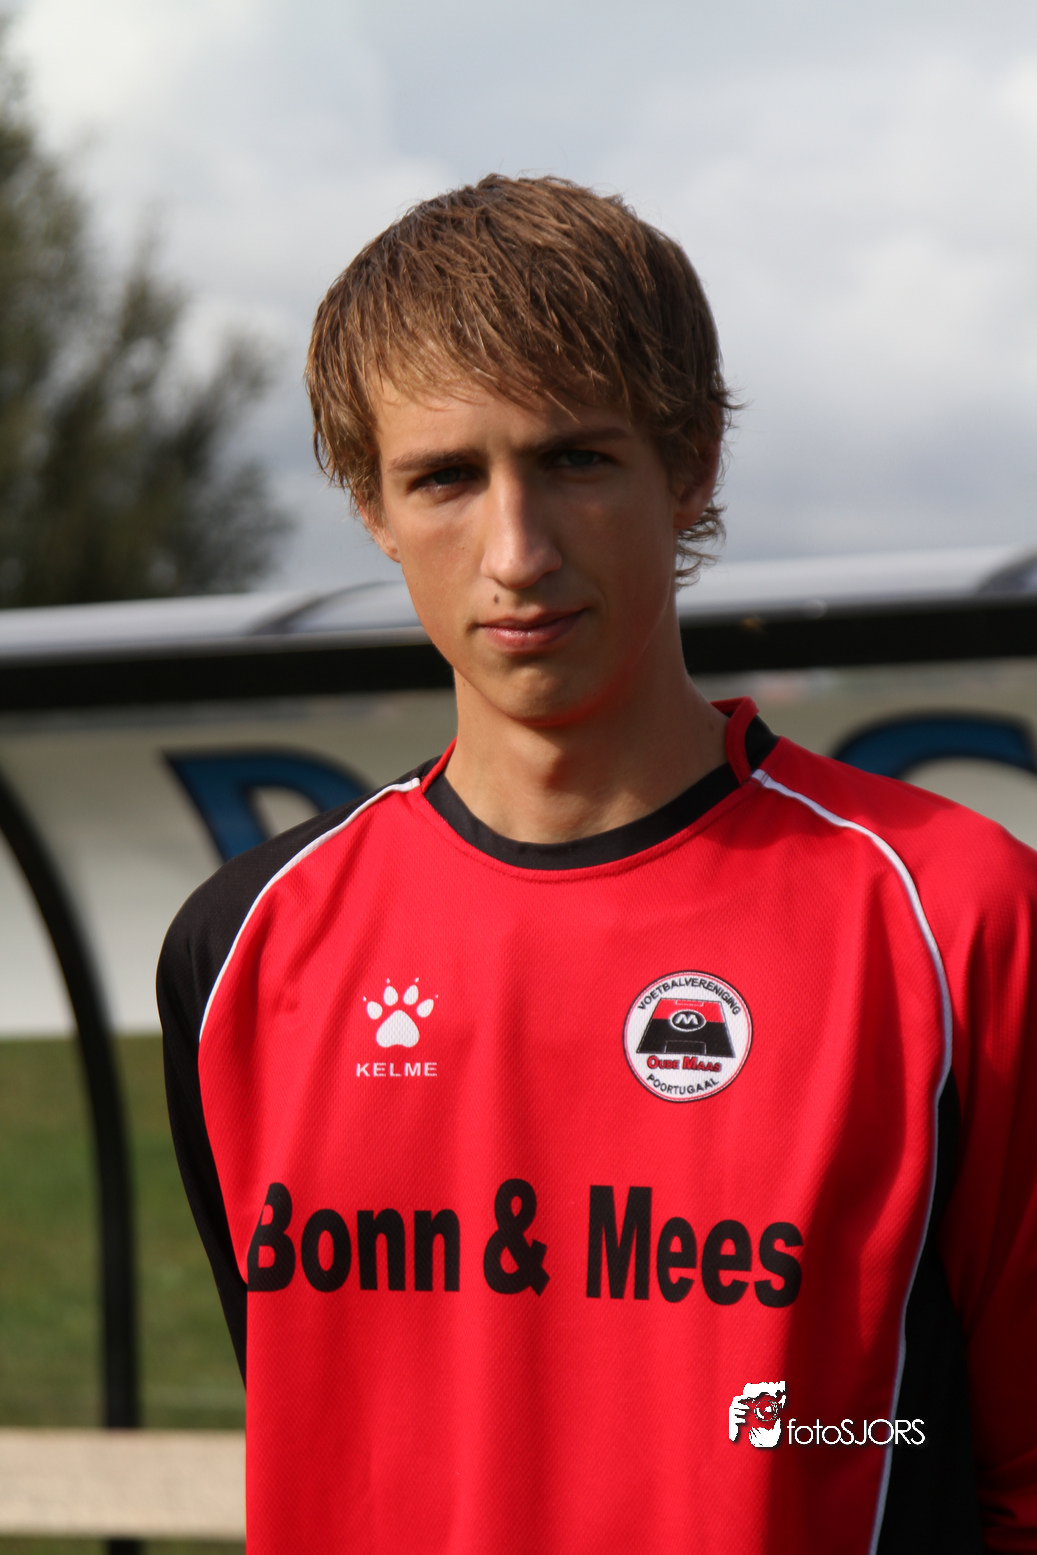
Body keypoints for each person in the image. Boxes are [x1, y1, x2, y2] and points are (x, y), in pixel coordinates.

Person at [158, 175, 1037, 1553]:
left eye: (574, 460)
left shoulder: (959, 921)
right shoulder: (241, 951)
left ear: (689, 465)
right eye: (446, 478)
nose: (516, 553)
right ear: (372, 505)